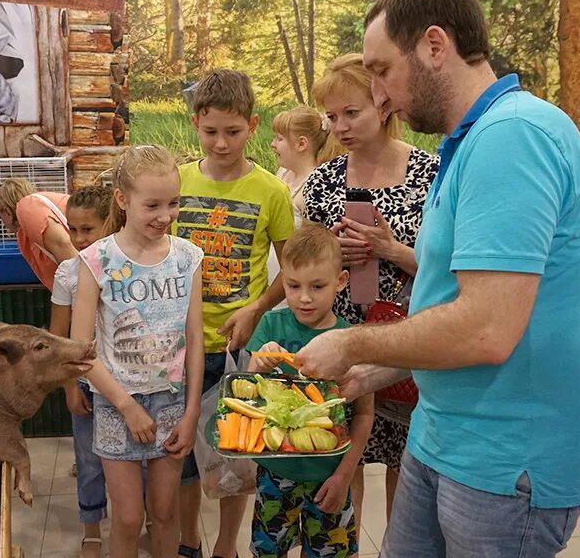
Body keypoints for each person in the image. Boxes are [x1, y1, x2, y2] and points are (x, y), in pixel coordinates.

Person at [298, 0, 580, 558]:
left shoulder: (513, 136)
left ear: (435, 46)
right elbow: (450, 302)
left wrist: (354, 345)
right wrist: (373, 374)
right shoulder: (469, 141)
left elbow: (487, 329)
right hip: (443, 436)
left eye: (382, 70)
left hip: (504, 462)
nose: (380, 94)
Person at [302, 53, 438, 530]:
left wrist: (392, 250)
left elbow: (453, 269)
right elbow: (305, 260)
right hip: (340, 335)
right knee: (343, 457)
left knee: (408, 463)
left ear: (383, 106)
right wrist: (335, 256)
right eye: (331, 116)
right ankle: (347, 543)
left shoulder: (431, 173)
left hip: (406, 341)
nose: (339, 126)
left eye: (351, 112)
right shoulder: (323, 180)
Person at [173, 69, 296, 558]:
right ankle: (188, 543)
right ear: (195, 124)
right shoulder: (178, 181)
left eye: (233, 131)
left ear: (254, 125)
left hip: (240, 346)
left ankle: (226, 544)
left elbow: (291, 269)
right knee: (180, 453)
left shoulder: (272, 192)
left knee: (236, 455)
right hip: (181, 346)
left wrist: (257, 308)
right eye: (210, 131)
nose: (221, 143)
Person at [67, 145, 205, 558]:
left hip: (172, 403)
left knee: (164, 514)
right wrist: (125, 405)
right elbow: (81, 352)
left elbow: (194, 338)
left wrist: (192, 410)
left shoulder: (187, 258)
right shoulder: (97, 259)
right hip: (116, 404)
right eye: (152, 205)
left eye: (174, 203)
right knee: (127, 518)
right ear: (123, 200)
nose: (165, 216)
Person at [246, 224, 372, 558]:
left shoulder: (351, 340)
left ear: (341, 281)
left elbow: (364, 414)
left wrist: (345, 474)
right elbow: (245, 398)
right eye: (293, 285)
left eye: (317, 286)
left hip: (329, 475)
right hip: (276, 474)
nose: (304, 297)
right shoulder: (271, 326)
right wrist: (257, 368)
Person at [49, 186, 113, 558]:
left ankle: (145, 516)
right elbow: (58, 339)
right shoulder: (67, 273)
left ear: (110, 223)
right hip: (87, 387)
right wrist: (70, 387)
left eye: (87, 229)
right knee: (88, 461)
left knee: (138, 462)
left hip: (128, 383)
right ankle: (91, 529)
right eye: (72, 229)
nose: (77, 238)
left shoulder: (128, 266)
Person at [266, 106, 340, 311]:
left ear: (301, 144)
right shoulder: (282, 173)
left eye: (279, 138)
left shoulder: (313, 185)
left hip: (294, 281)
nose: (273, 144)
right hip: (269, 276)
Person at [0, 178, 77, 290]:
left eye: (0, 215)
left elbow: (64, 245)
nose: (2, 222)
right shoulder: (28, 227)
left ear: (7, 211)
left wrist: (82, 299)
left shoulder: (27, 207)